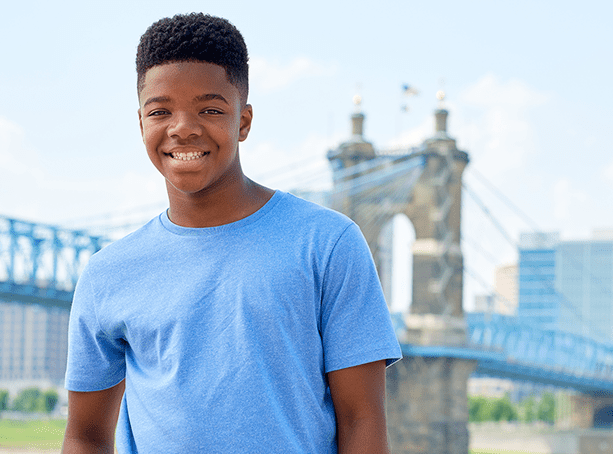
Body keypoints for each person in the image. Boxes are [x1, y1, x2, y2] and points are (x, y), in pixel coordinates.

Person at [61, 13, 401, 454]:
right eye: (160, 111)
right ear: (141, 123)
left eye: (210, 110)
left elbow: (362, 421)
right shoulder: (107, 273)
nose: (183, 127)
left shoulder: (328, 245)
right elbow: (85, 436)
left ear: (244, 121)